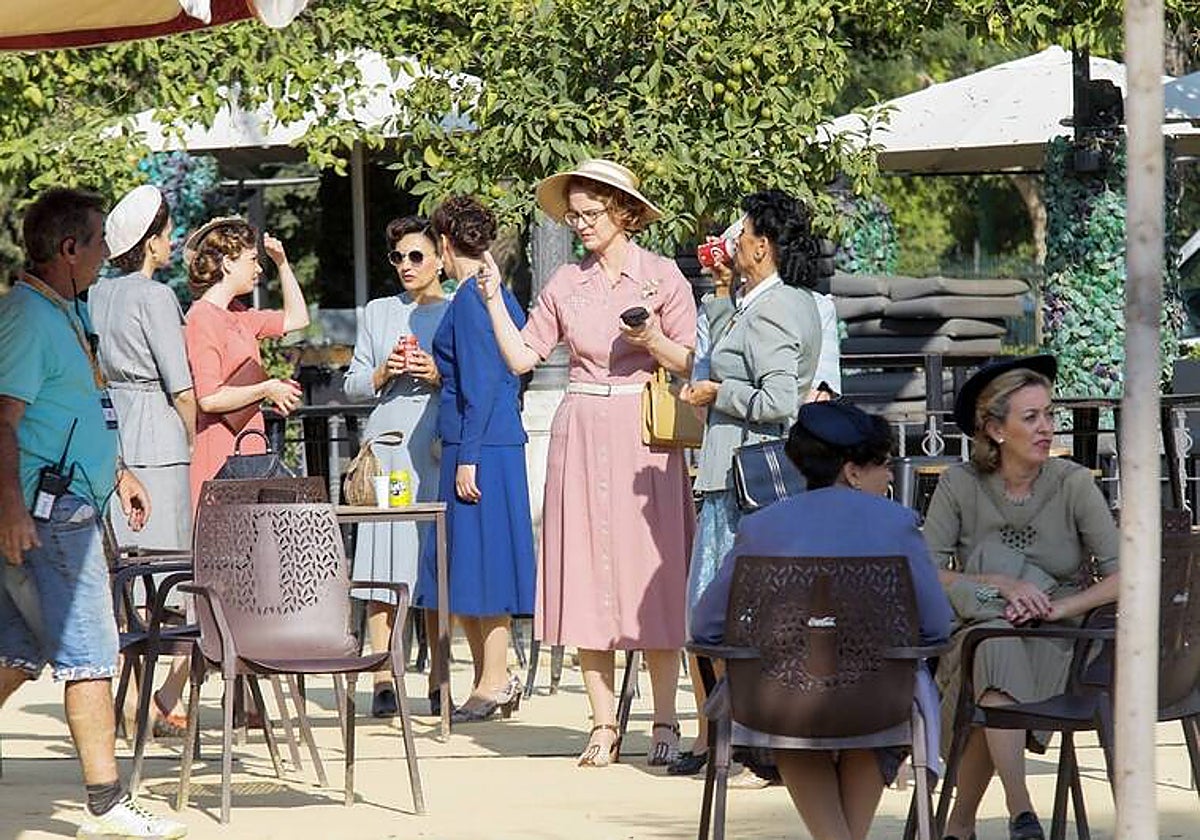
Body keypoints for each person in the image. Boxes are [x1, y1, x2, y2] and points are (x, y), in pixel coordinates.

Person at [477, 159, 696, 766]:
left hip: (643, 436)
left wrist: (652, 341)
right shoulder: (565, 283)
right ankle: (602, 723)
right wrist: (496, 299)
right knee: (586, 576)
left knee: (651, 576)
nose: (582, 226)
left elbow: (693, 360)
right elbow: (524, 356)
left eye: (592, 214)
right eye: (574, 216)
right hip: (580, 427)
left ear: (623, 212)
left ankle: (664, 718)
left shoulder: (661, 275)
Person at [0, 187, 188, 838]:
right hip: (47, 515)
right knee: (91, 652)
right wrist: (12, 511)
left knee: (19, 652)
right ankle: (107, 804)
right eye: (100, 242)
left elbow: (77, 411)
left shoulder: (67, 312)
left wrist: (119, 471)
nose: (110, 253)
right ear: (69, 248)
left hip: (65, 503)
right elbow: (6, 421)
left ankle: (108, 804)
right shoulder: (27, 316)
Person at [692, 401, 952, 840]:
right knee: (870, 720)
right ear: (852, 471)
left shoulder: (761, 526)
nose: (891, 477)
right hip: (877, 701)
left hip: (777, 704)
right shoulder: (898, 523)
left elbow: (705, 626)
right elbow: (937, 627)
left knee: (797, 721)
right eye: (883, 466)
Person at [922, 355, 1120, 840]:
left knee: (991, 663)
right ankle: (1020, 810)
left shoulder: (1072, 483)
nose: (1046, 428)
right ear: (994, 429)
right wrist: (1001, 585)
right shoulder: (959, 484)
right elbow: (924, 570)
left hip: (1062, 640)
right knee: (993, 645)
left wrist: (1059, 609)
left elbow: (1126, 576)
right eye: (1031, 418)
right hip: (983, 632)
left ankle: (964, 824)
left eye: (1049, 415)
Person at [673, 189, 825, 776]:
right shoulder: (760, 302)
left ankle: (741, 740)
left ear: (762, 246)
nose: (731, 242)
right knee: (734, 615)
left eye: (740, 235)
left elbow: (780, 399)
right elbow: (736, 353)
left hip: (746, 480)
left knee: (720, 615)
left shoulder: (777, 308)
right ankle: (733, 737)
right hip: (737, 474)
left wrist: (717, 394)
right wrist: (716, 295)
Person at [415, 196, 534, 722]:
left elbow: (483, 383)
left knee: (480, 564)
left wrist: (470, 457)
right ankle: (491, 677)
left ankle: (494, 679)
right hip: (489, 439)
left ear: (443, 244)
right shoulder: (497, 295)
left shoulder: (469, 298)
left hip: (477, 443)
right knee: (476, 564)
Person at [89, 184, 197, 738]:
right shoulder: (155, 298)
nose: (172, 241)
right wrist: (193, 435)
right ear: (151, 242)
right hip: (157, 439)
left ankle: (128, 697)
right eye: (167, 233)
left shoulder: (97, 297)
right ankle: (147, 701)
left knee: (125, 583)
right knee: (169, 583)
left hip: (113, 436)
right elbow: (179, 384)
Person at [343, 215, 450, 718]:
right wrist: (386, 371)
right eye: (398, 257)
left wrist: (435, 374)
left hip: (432, 441)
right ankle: (383, 672)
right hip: (387, 443)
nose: (405, 265)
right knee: (383, 559)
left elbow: (472, 381)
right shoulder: (379, 312)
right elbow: (353, 383)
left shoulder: (454, 310)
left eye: (416, 256)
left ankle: (440, 676)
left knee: (432, 562)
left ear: (439, 260)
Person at [182, 217, 309, 507]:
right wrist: (267, 389)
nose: (259, 269)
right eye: (253, 260)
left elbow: (298, 318)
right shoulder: (202, 318)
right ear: (228, 263)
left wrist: (283, 263)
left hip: (247, 447)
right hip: (220, 452)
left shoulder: (239, 315)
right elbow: (209, 399)